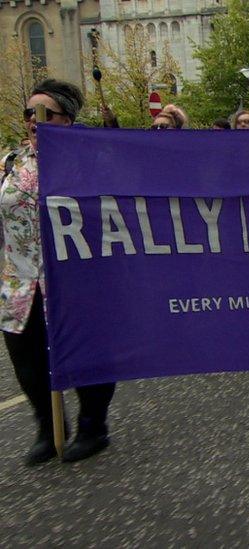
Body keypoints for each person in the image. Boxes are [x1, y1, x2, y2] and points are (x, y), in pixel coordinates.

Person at [0, 79, 117, 465]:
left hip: (78, 279)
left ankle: (92, 426)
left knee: (87, 353)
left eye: (46, 113)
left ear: (67, 119)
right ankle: (48, 428)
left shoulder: (91, 159)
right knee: (27, 359)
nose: (35, 120)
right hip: (19, 283)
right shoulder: (10, 163)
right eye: (29, 113)